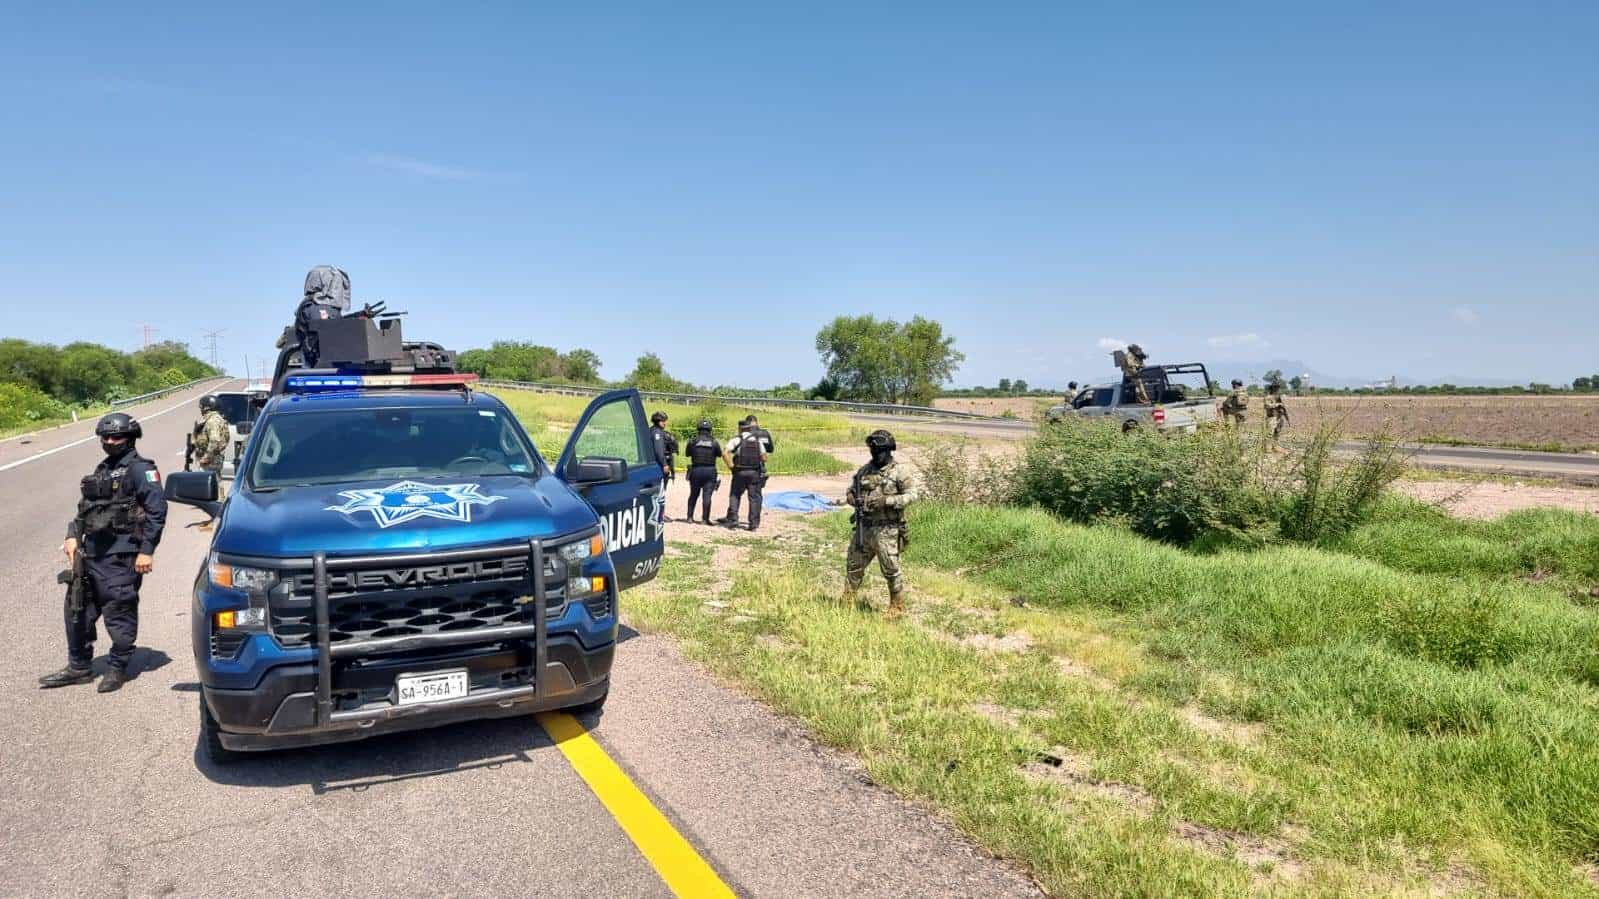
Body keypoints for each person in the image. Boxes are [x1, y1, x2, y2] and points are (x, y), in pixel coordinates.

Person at [40, 413, 168, 693]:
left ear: (130, 437)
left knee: (119, 611)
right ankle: (79, 667)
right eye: (105, 437)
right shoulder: (102, 470)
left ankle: (118, 667)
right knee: (77, 611)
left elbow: (158, 512)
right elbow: (83, 510)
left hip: (121, 557)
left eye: (116, 436)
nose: (110, 441)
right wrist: (71, 536)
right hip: (91, 554)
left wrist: (147, 551)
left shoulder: (140, 469)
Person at [843, 430, 919, 619]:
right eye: (873, 451)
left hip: (887, 530)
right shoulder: (864, 471)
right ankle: (847, 601)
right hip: (864, 527)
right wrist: (853, 498)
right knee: (853, 565)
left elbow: (912, 495)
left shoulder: (899, 472)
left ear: (888, 451)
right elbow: (851, 491)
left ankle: (896, 606)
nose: (875, 455)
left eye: (879, 452)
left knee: (891, 569)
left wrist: (887, 501)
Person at [719, 421, 768, 531]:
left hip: (739, 472)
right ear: (750, 429)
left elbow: (724, 453)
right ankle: (753, 524)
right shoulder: (757, 441)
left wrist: (731, 466)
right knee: (754, 498)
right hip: (754, 473)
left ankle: (733, 519)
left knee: (735, 495)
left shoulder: (736, 440)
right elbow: (765, 458)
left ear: (739, 429)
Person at [682, 419, 726, 524]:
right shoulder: (714, 442)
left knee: (693, 495)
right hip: (710, 471)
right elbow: (719, 454)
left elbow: (687, 454)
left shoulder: (692, 441)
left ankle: (689, 517)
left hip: (696, 470)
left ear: (698, 429)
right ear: (710, 430)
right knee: (707, 496)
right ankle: (705, 519)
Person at [191, 395, 231, 484]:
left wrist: (206, 458)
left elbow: (215, 441)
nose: (201, 410)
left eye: (201, 408)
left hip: (210, 461)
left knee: (207, 485)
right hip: (214, 459)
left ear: (206, 408)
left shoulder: (213, 421)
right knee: (216, 482)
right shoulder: (218, 419)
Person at [648, 411, 678, 521]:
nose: (665, 423)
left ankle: (656, 513)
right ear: (658, 421)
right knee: (661, 491)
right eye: (663, 421)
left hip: (651, 465)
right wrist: (665, 464)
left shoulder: (650, 430)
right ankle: (660, 514)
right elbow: (659, 451)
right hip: (658, 465)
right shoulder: (657, 433)